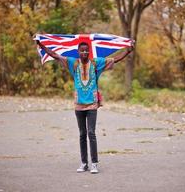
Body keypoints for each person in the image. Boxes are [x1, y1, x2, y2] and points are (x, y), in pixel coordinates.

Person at [36, 39, 134, 174]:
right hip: (79, 105)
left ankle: (94, 164)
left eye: (86, 50)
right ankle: (84, 163)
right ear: (78, 52)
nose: (84, 52)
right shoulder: (73, 63)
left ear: (89, 51)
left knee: (91, 133)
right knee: (82, 134)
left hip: (92, 104)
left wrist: (127, 51)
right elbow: (55, 55)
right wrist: (41, 45)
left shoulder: (96, 64)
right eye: (82, 50)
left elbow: (114, 60)